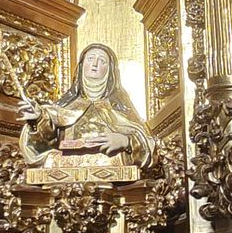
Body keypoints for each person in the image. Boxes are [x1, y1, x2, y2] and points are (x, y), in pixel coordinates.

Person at [19, 43, 158, 168]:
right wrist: (37, 121)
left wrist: (126, 141)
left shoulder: (120, 108)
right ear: (81, 65)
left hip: (112, 170)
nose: (95, 64)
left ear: (110, 70)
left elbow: (149, 146)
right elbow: (42, 145)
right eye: (90, 58)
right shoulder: (65, 107)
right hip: (66, 171)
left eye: (102, 61)